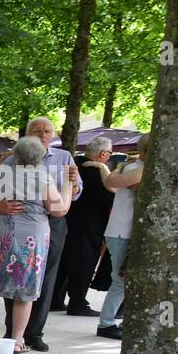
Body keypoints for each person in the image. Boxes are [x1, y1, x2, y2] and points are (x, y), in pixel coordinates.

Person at [0, 135, 71, 352]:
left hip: (2, 234)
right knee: (24, 290)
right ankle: (17, 340)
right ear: (42, 156)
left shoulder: (2, 174)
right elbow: (60, 209)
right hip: (31, 238)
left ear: (15, 154)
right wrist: (68, 184)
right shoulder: (43, 178)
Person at [0, 117, 82, 352]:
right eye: (38, 130)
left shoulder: (64, 158)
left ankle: (35, 333)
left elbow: (76, 191)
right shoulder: (12, 158)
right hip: (18, 224)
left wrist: (73, 185)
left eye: (48, 131)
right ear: (27, 134)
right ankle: (12, 330)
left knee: (46, 276)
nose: (43, 134)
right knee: (14, 275)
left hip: (53, 223)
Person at [55, 136, 115, 317]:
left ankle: (55, 299)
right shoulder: (94, 171)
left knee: (63, 263)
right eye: (109, 154)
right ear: (103, 154)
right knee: (83, 264)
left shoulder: (74, 164)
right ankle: (78, 302)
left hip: (67, 220)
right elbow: (110, 196)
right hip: (89, 225)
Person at [98, 134, 150, 339]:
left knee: (123, 280)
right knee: (121, 280)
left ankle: (111, 320)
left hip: (124, 232)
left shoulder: (133, 167)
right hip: (122, 233)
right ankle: (106, 323)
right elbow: (114, 181)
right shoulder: (137, 169)